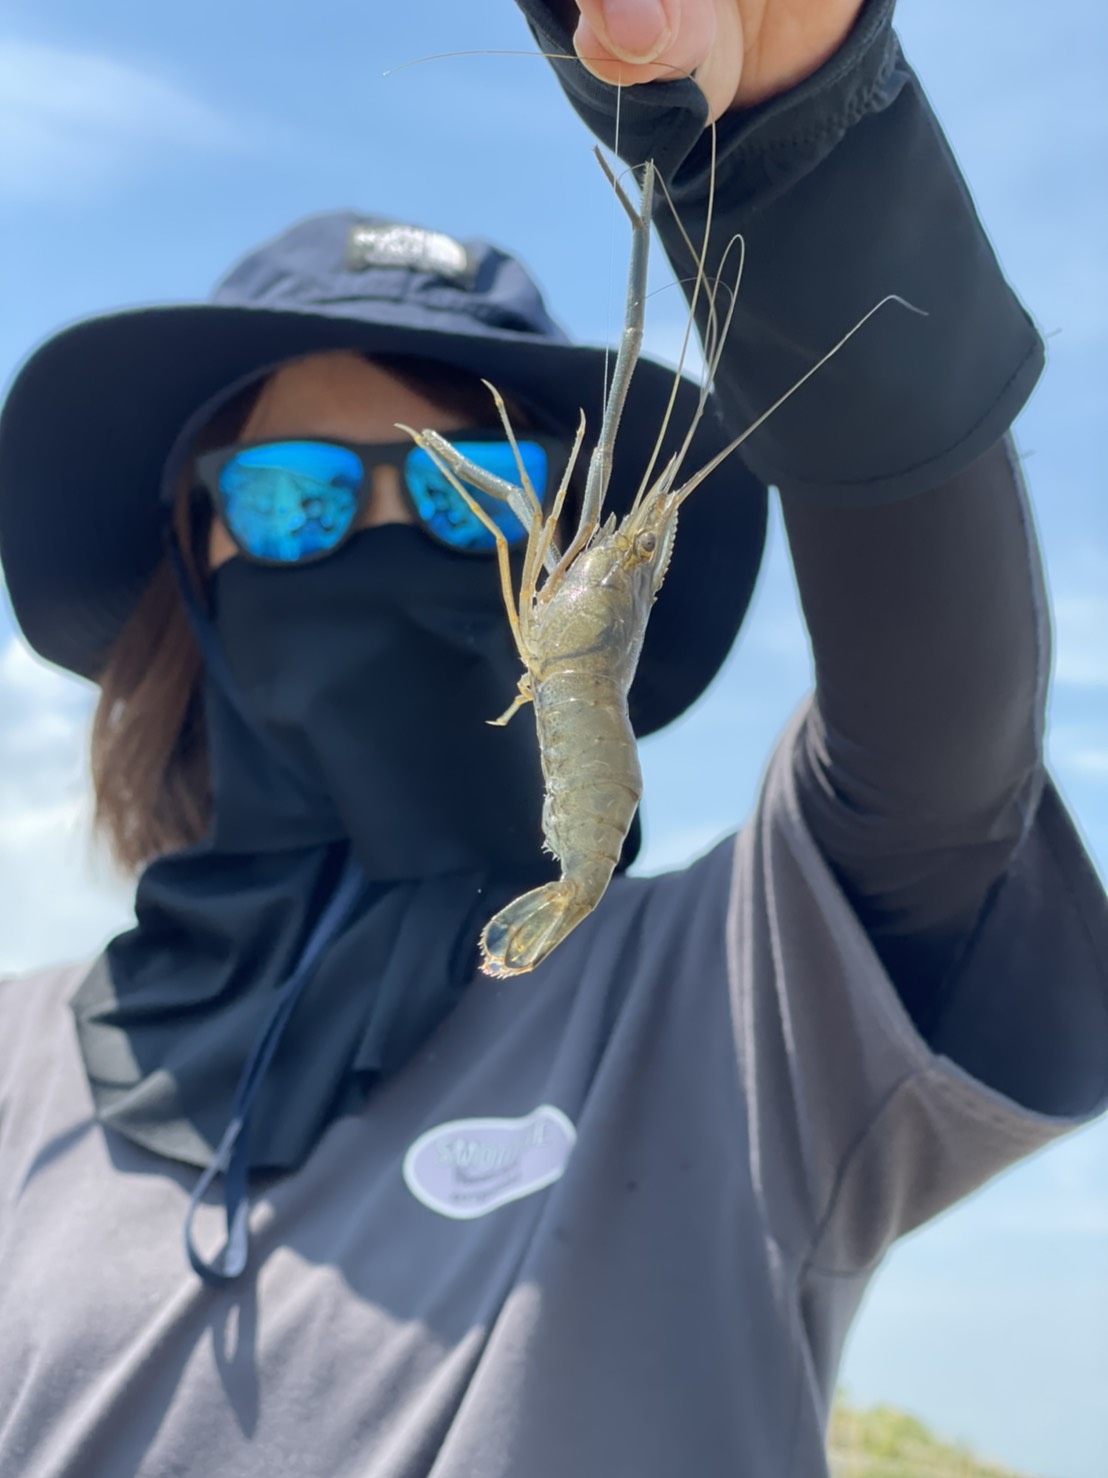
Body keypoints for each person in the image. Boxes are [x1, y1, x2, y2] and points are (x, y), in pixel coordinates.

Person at [0, 0, 1105, 1473]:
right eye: (293, 502)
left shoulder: (741, 1000)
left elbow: (942, 767)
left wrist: (797, 148)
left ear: (543, 529)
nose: (386, 534)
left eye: (471, 491)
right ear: (188, 563)